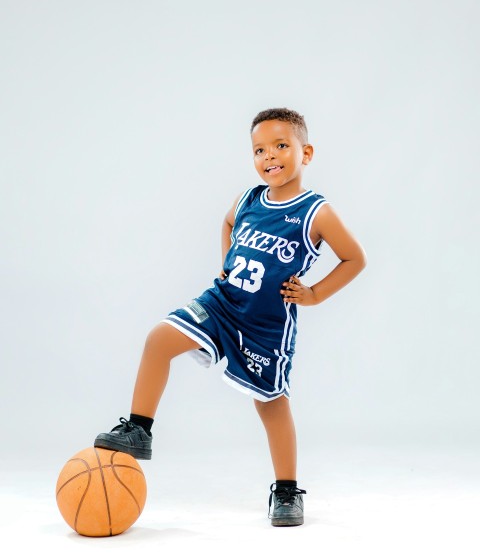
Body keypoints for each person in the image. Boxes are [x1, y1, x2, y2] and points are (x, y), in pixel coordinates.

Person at [94, 107, 367, 527]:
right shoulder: (248, 199)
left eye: (281, 146)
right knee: (159, 339)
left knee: (271, 404)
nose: (269, 156)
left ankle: (288, 491)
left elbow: (354, 258)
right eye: (259, 149)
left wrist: (313, 295)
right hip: (222, 304)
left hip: (265, 325)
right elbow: (226, 222)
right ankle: (139, 429)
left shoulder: (316, 211)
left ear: (305, 152)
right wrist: (226, 261)